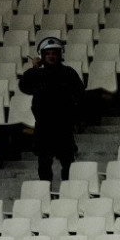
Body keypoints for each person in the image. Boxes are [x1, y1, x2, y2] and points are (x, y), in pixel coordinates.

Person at [17, 36, 86, 182]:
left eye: (54, 53)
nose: (51, 56)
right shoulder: (38, 74)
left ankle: (69, 191)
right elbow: (25, 86)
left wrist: (76, 118)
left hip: (63, 126)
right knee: (44, 163)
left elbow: (80, 95)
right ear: (42, 56)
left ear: (59, 55)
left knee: (68, 162)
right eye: (47, 54)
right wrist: (35, 67)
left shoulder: (68, 73)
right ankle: (45, 194)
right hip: (44, 127)